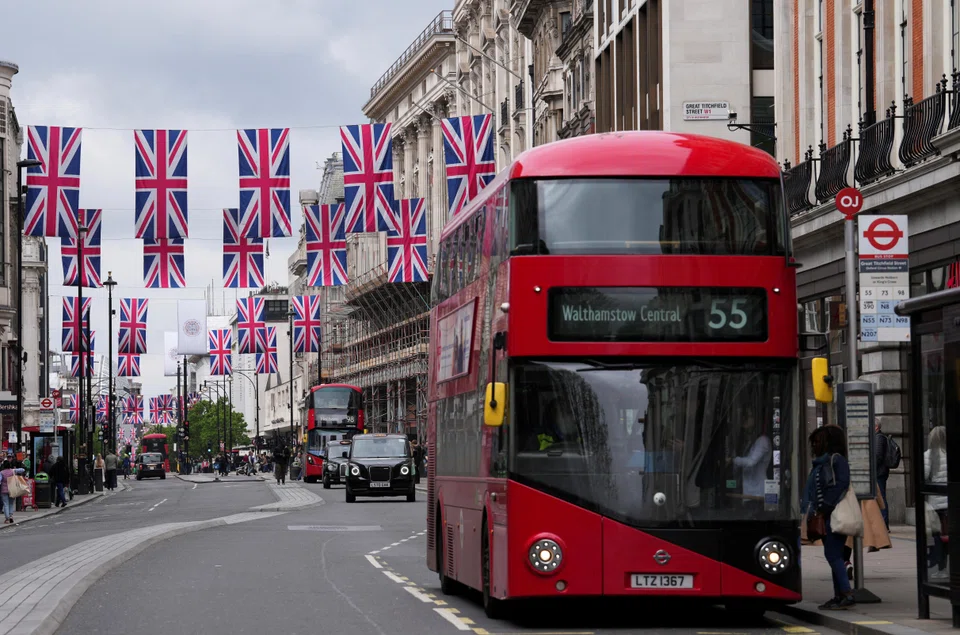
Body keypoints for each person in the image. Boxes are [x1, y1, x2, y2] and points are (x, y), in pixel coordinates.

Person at [802, 425, 855, 610]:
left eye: (818, 442)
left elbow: (841, 484)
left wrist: (825, 507)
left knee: (832, 554)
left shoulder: (836, 460)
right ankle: (839, 595)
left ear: (828, 442)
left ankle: (846, 593)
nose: (814, 446)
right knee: (834, 555)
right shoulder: (822, 463)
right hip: (824, 516)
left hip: (834, 514)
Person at [729, 409, 772, 500]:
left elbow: (751, 462)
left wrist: (732, 460)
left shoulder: (762, 441)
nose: (744, 421)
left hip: (758, 494)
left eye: (749, 417)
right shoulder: (749, 443)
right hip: (747, 494)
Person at [925, 425, 948, 580]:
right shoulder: (951, 454)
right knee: (949, 536)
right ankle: (946, 568)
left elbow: (925, 476)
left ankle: (940, 566)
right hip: (950, 502)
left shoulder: (929, 455)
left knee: (938, 536)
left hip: (936, 504)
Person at [1, 459, 26, 524]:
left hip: (4, 491)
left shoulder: (1, 472)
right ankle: (11, 516)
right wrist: (15, 469)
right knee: (11, 503)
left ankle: (7, 519)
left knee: (6, 504)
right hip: (12, 489)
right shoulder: (12, 471)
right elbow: (22, 470)